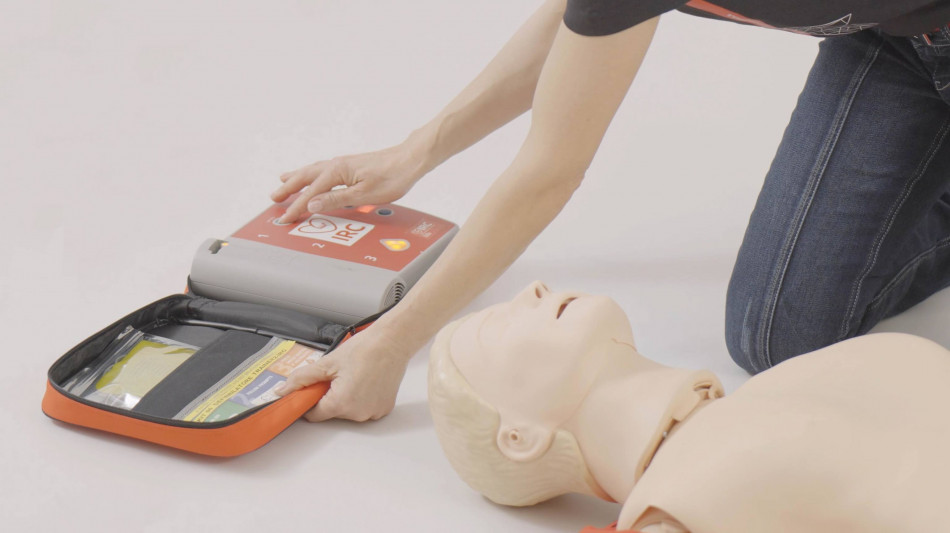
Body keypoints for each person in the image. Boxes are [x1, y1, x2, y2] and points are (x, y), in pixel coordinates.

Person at [274, 1, 950, 421]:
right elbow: (581, 24)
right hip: (894, 42)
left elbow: (548, 175)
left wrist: (392, 343)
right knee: (778, 335)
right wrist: (413, 154)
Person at [428, 281, 950, 532]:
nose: (532, 288)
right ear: (520, 437)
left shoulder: (781, 386)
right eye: (497, 327)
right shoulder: (672, 512)